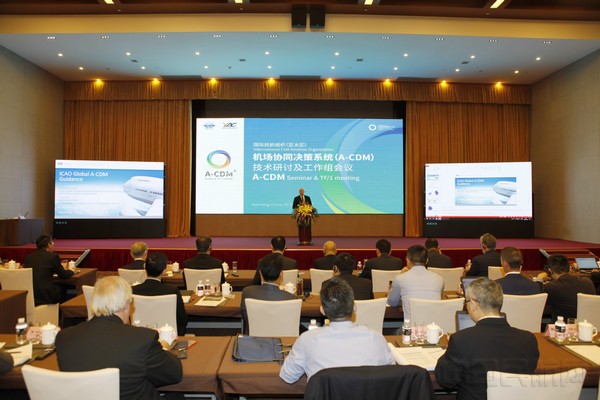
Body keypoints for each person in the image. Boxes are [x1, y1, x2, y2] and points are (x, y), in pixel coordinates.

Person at [56, 276, 182, 400]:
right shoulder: (143, 339)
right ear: (126, 305)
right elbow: (174, 374)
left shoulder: (64, 338)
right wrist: (164, 347)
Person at [435, 278, 539, 400]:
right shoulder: (528, 339)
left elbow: (446, 380)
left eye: (466, 302)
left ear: (473, 304)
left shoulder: (461, 340)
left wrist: (448, 352)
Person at [279, 277, 393, 383]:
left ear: (322, 310)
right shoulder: (377, 339)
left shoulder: (306, 340)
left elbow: (288, 376)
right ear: (354, 307)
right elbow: (391, 374)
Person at [132, 252, 188, 336]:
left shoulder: (132, 290)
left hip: (140, 335)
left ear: (145, 269)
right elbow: (182, 319)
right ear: (164, 271)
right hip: (168, 335)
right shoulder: (172, 291)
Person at [241, 253, 298, 335]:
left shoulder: (247, 292)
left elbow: (246, 319)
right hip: (283, 339)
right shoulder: (291, 298)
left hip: (255, 339)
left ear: (260, 273)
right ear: (281, 274)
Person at [387, 245, 443, 321]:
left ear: (408, 260)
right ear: (427, 261)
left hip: (411, 327)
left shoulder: (400, 279)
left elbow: (392, 302)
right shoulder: (439, 279)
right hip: (434, 326)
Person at [23, 234, 74, 305]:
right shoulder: (52, 256)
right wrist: (72, 271)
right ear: (49, 245)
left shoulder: (28, 257)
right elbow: (63, 275)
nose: (53, 245)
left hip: (31, 294)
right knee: (63, 286)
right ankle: (60, 310)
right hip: (46, 295)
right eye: (52, 243)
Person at [542, 254, 595, 320]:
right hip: (587, 324)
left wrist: (539, 280)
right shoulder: (588, 282)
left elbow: (540, 304)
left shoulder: (551, 287)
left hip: (562, 325)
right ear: (570, 268)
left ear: (550, 271)